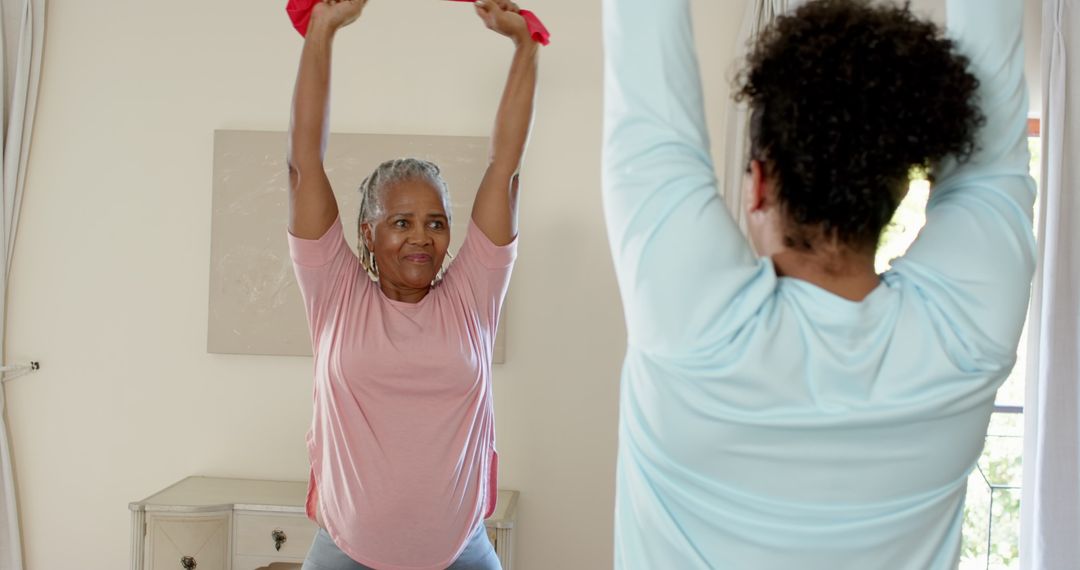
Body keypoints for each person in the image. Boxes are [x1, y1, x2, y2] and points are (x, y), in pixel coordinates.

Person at [601, 0, 1035, 567]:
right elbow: (991, 154)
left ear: (758, 184)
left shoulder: (690, 327)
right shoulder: (965, 340)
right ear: (901, 190)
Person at [286, 1, 539, 568]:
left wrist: (524, 47)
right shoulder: (335, 294)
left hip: (461, 553)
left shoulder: (474, 294)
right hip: (346, 553)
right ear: (368, 232)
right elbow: (305, 162)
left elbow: (506, 166)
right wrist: (322, 30)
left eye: (436, 222)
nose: (421, 238)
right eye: (401, 223)